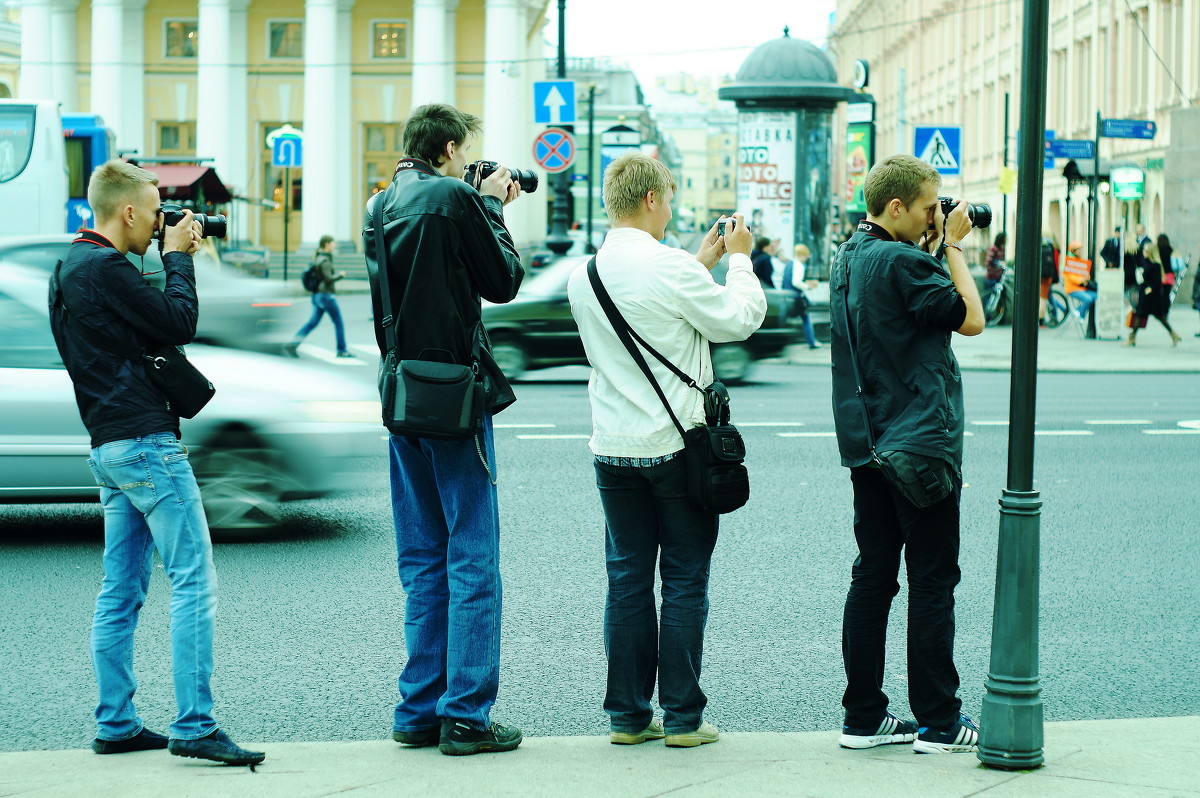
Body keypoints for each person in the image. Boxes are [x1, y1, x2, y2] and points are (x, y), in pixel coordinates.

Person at [47, 160, 264, 766]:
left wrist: (165, 253)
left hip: (108, 447)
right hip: (147, 445)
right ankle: (195, 723)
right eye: (155, 210)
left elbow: (123, 335)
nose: (160, 220)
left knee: (121, 590)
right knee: (194, 581)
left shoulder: (69, 265)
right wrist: (178, 256)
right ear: (129, 213)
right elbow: (179, 322)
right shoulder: (108, 267)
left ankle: (116, 722)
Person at [566, 153, 766, 749]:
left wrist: (696, 264)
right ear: (652, 199)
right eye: (671, 198)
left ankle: (628, 718)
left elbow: (646, 317)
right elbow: (740, 318)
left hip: (613, 447)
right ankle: (682, 719)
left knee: (627, 580)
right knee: (682, 579)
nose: (672, 209)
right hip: (677, 446)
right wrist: (738, 259)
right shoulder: (671, 267)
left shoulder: (585, 274)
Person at [362, 103, 526, 757]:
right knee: (473, 557)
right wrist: (490, 205)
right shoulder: (455, 198)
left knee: (423, 557)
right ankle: (466, 716)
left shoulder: (379, 205)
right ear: (452, 149)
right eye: (465, 155)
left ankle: (418, 711)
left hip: (401, 395)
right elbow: (505, 281)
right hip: (455, 398)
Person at [829, 154, 984, 755]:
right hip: (918, 444)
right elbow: (971, 319)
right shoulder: (904, 261)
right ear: (896, 207)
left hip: (866, 443)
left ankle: (863, 717)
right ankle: (940, 723)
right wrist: (955, 249)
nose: (932, 218)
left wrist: (934, 240)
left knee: (872, 577)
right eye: (925, 208)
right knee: (932, 579)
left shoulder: (849, 258)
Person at [287, 235, 351, 358]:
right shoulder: (325, 261)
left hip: (317, 295)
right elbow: (328, 279)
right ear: (326, 244)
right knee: (338, 322)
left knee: (312, 323)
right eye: (333, 243)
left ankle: (292, 345)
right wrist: (340, 275)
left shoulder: (317, 257)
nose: (334, 246)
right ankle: (341, 350)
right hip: (326, 296)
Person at [1126, 239, 1182, 347]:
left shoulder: (1156, 265)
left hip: (1151, 297)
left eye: (1146, 251)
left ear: (1151, 252)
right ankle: (1132, 338)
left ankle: (1173, 335)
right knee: (1140, 316)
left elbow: (1157, 281)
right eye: (1144, 251)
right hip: (1146, 295)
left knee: (1156, 317)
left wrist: (1150, 289)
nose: (1144, 253)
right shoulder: (1147, 263)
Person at [783, 242, 821, 349]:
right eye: (806, 255)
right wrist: (808, 287)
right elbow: (796, 282)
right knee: (806, 319)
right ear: (802, 255)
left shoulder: (789, 263)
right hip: (797, 297)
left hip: (787, 295)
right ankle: (812, 342)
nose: (807, 258)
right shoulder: (799, 265)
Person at [1063, 240, 1097, 321]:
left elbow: (1085, 273)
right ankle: (1081, 315)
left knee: (1096, 295)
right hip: (1072, 289)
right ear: (1073, 251)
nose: (1081, 251)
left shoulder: (1080, 260)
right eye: (1079, 249)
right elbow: (1071, 277)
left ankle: (1078, 310)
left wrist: (1086, 278)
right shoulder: (1069, 262)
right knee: (1088, 299)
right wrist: (1081, 280)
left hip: (1082, 288)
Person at [1038, 230, 1060, 325]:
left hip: (1043, 277)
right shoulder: (1052, 248)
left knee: (1044, 298)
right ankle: (1058, 312)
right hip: (1049, 276)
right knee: (1048, 296)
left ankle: (1043, 320)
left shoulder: (1045, 248)